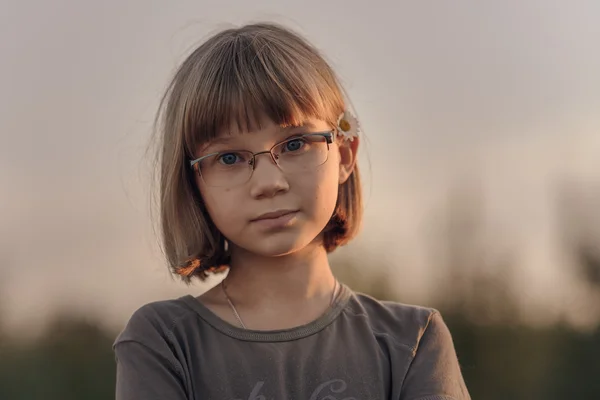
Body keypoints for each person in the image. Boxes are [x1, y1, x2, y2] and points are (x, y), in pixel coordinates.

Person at [113, 22, 471, 400]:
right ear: (193, 183)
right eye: (229, 157)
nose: (268, 182)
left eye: (295, 143)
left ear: (345, 154)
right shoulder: (164, 342)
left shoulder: (412, 341)